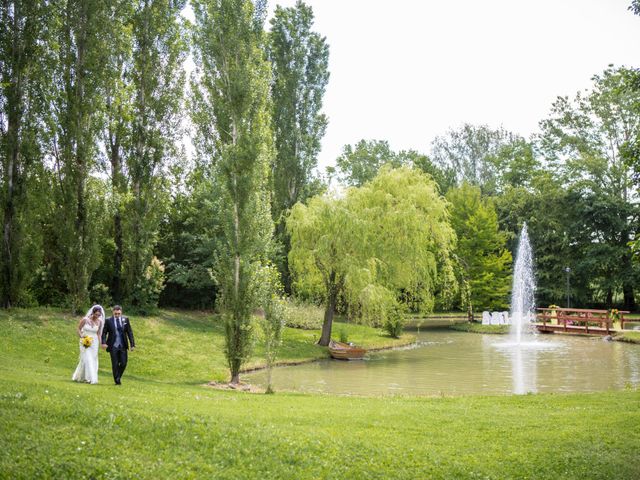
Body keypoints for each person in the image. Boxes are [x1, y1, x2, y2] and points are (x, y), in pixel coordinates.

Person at [101, 305, 135, 385]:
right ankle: (117, 380)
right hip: (113, 345)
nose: (117, 315)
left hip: (123, 345)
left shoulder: (125, 319)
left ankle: (118, 376)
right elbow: (104, 332)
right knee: (115, 363)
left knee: (124, 363)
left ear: (121, 312)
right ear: (113, 312)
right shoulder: (108, 320)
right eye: (115, 313)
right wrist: (104, 342)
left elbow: (129, 332)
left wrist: (132, 344)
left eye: (118, 314)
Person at [72, 305, 105, 384]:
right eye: (96, 314)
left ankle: (85, 377)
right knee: (87, 358)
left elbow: (99, 333)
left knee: (92, 359)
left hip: (94, 342)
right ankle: (88, 378)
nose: (97, 316)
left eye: (99, 315)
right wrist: (82, 337)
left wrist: (101, 343)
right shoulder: (85, 320)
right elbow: (78, 329)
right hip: (84, 341)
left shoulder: (100, 322)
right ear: (92, 313)